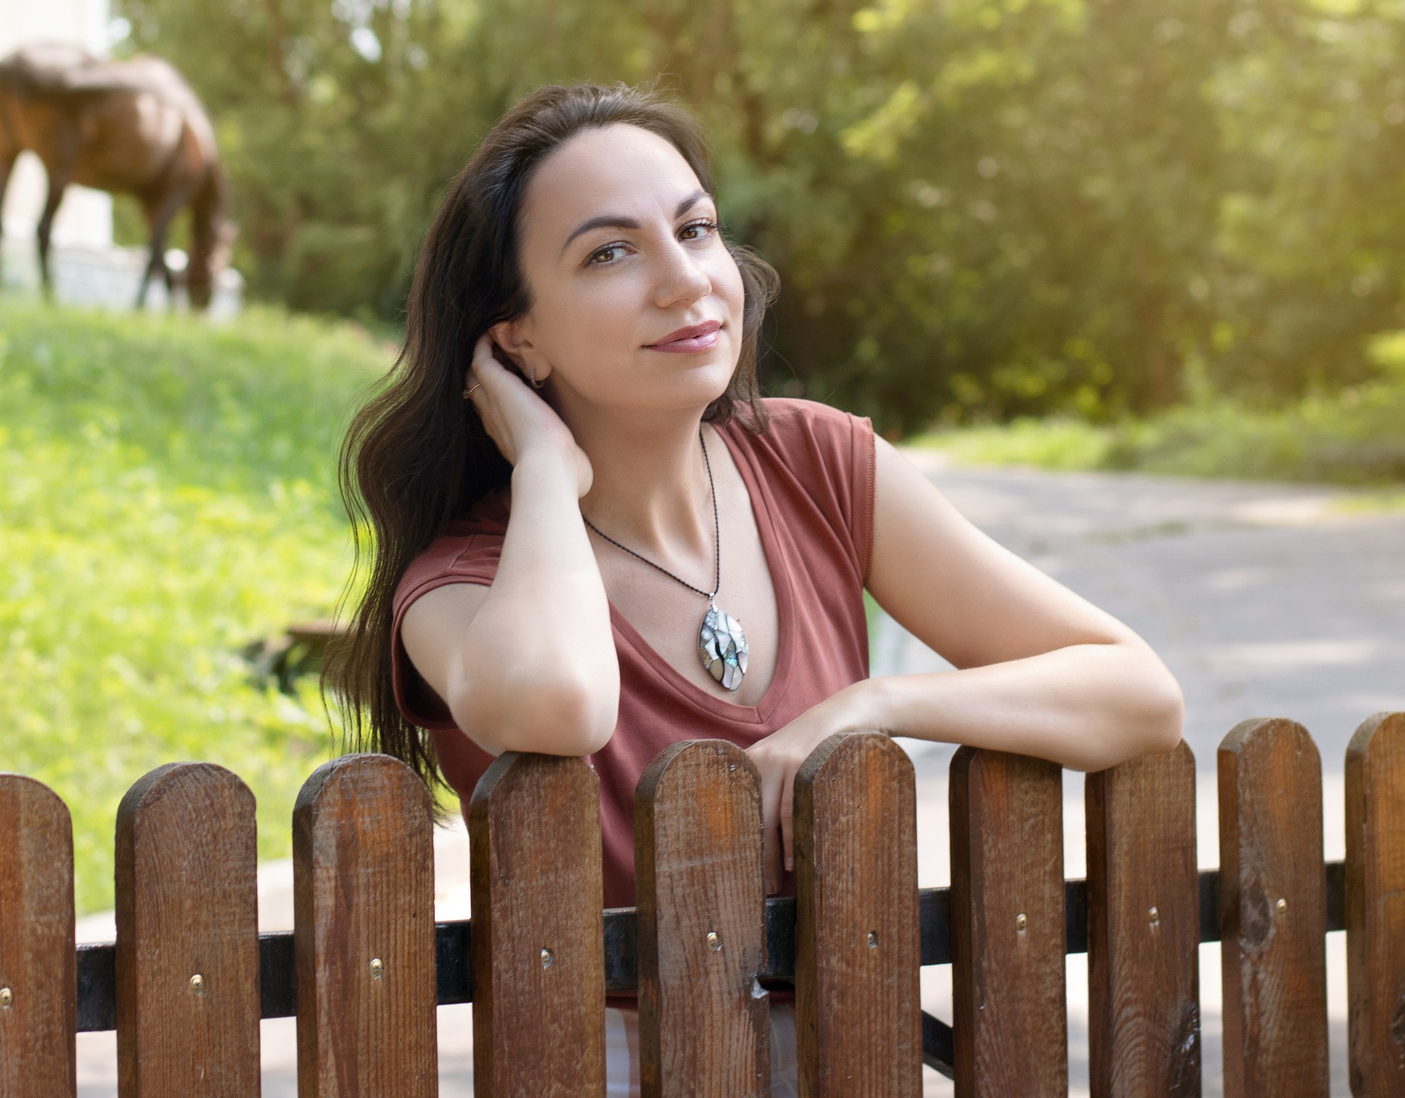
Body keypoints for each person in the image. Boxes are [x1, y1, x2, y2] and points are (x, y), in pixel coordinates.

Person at [332, 83, 1184, 1096]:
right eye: (609, 253)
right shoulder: (463, 584)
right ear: (518, 340)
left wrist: (878, 704)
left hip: (858, 1049)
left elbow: (1138, 693)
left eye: (694, 229)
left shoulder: (817, 461)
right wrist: (547, 475)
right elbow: (559, 705)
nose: (684, 280)